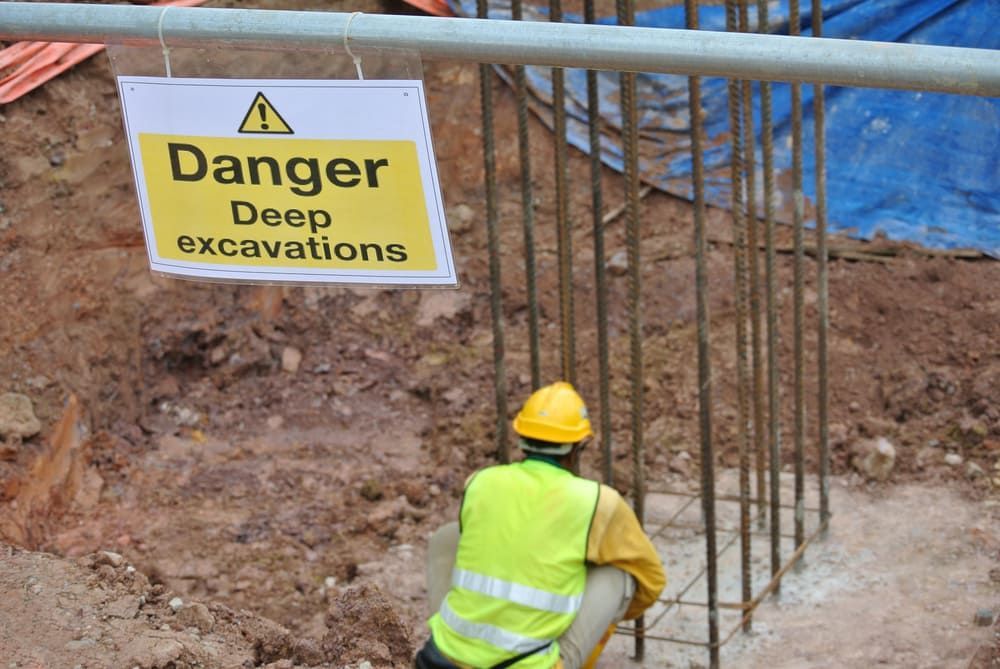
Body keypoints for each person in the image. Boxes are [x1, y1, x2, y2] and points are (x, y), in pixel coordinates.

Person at [415, 381, 666, 669]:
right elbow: (651, 579)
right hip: (528, 665)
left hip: (442, 661)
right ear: (576, 448)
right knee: (619, 574)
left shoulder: (480, 482)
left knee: (448, 536)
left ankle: (449, 637)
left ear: (521, 436)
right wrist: (589, 619)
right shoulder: (597, 502)